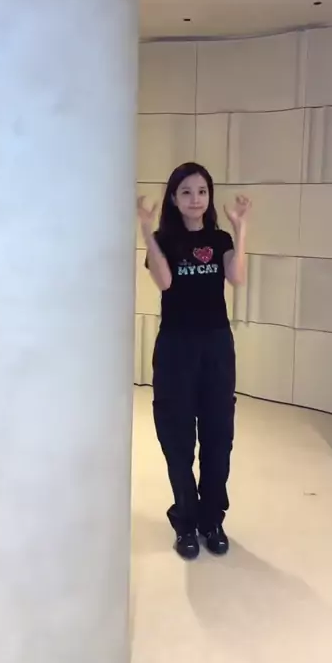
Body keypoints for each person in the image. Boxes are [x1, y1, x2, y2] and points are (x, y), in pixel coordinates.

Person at [137, 162, 250, 560]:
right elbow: (165, 282)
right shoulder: (164, 240)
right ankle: (185, 520)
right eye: (185, 191)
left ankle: (212, 519)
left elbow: (237, 277)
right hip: (176, 347)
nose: (195, 199)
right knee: (178, 437)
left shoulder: (219, 239)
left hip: (216, 345)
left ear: (209, 197)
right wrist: (146, 231)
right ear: (174, 198)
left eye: (201, 191)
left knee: (219, 436)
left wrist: (241, 228)